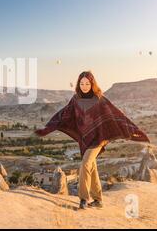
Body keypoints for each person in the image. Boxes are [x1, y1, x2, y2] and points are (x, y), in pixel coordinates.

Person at [34, 71, 150, 210]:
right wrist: (48, 128)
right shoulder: (75, 99)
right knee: (92, 167)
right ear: (78, 84)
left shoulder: (99, 99)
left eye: (87, 83)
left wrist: (133, 131)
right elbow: (63, 114)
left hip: (99, 138)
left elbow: (116, 115)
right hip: (86, 139)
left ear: (92, 83)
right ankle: (98, 199)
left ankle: (83, 199)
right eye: (81, 83)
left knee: (85, 164)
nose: (84, 86)